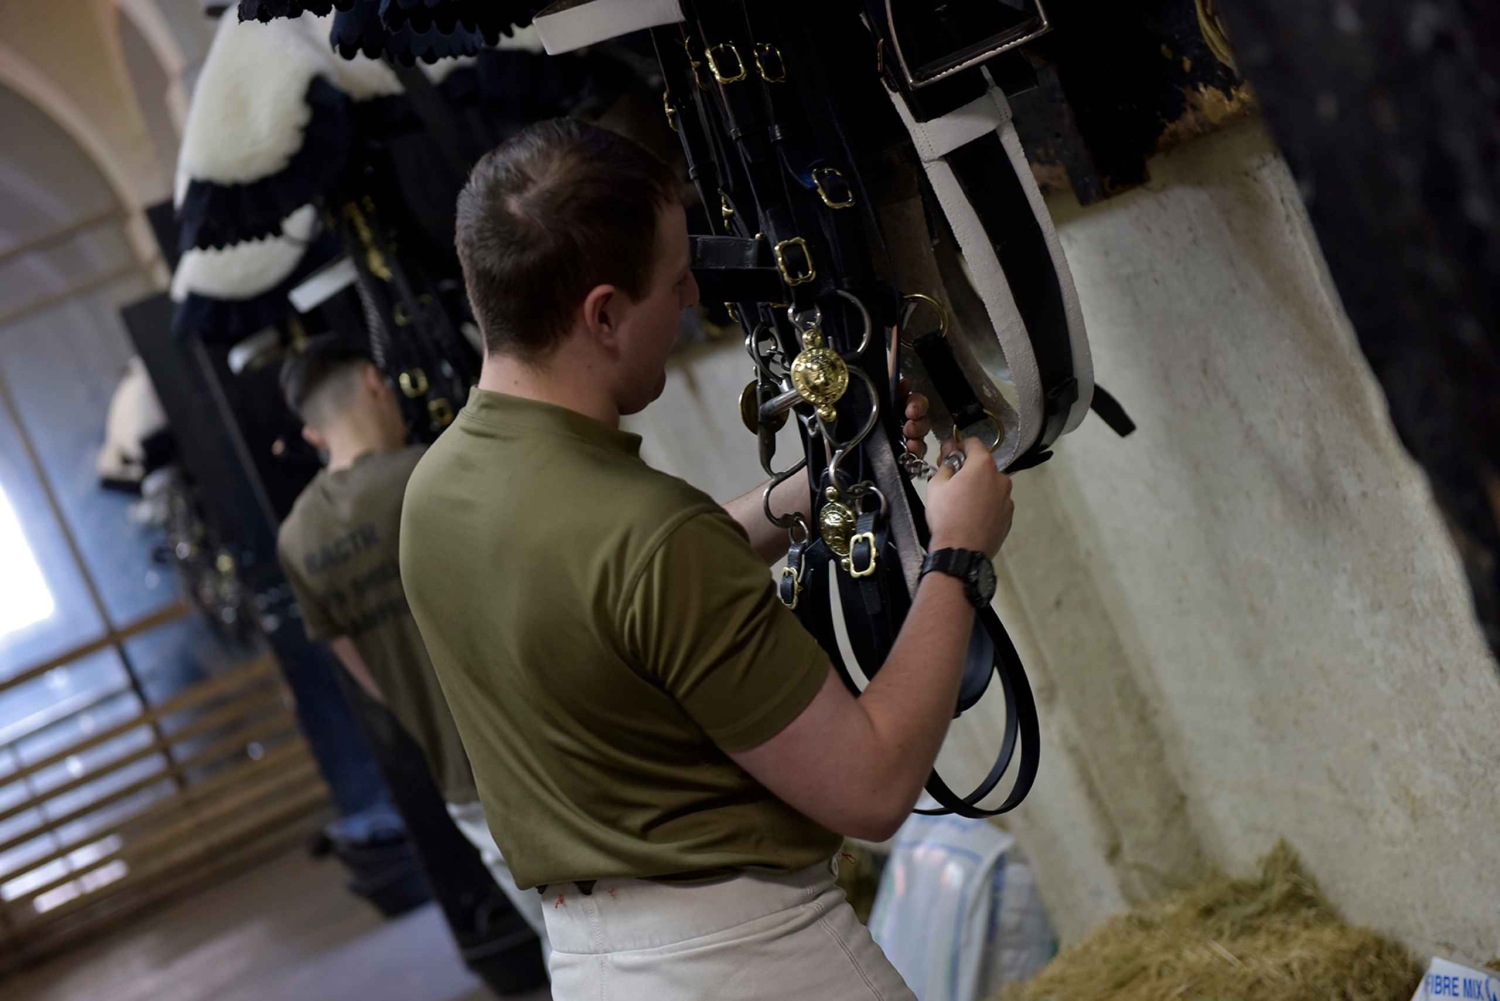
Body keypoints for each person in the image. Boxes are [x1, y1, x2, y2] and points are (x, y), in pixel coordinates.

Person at [400, 119, 1014, 1001]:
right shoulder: (651, 534)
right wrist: (958, 551)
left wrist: (815, 487)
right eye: (673, 274)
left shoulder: (438, 493)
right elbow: (874, 787)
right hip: (749, 960)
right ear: (603, 314)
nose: (693, 290)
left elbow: (617, 605)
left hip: (593, 964)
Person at [274, 338, 549, 953]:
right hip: (542, 754)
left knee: (568, 957)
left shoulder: (296, 540)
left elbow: (364, 672)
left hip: (460, 781)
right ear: (375, 382)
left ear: (313, 433)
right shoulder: (434, 474)